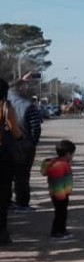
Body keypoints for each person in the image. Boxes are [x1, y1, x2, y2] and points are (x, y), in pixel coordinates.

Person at [8, 73, 42, 212]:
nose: (27, 88)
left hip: (5, 145)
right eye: (26, 86)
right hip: (23, 146)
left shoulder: (4, 101)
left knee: (7, 176)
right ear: (21, 88)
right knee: (22, 176)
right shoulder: (28, 105)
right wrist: (32, 143)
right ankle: (22, 204)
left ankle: (7, 203)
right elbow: (35, 128)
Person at [0, 77, 24, 246]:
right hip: (2, 155)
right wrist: (22, 138)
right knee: (3, 196)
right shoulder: (6, 107)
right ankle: (2, 233)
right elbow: (15, 131)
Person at [41, 139, 77, 240]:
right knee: (60, 213)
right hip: (60, 194)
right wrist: (61, 195)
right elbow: (58, 181)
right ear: (68, 154)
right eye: (72, 154)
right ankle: (56, 232)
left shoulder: (57, 163)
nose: (73, 157)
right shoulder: (61, 165)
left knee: (62, 212)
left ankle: (62, 229)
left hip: (59, 193)